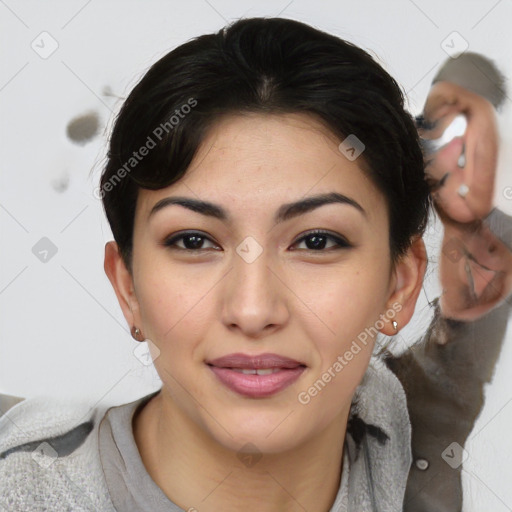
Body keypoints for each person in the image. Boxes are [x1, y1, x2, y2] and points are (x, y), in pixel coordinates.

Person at [0, 17, 510, 512]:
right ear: (128, 286)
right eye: (194, 240)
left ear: (399, 286)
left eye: (315, 241)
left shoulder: (421, 453)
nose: (252, 310)